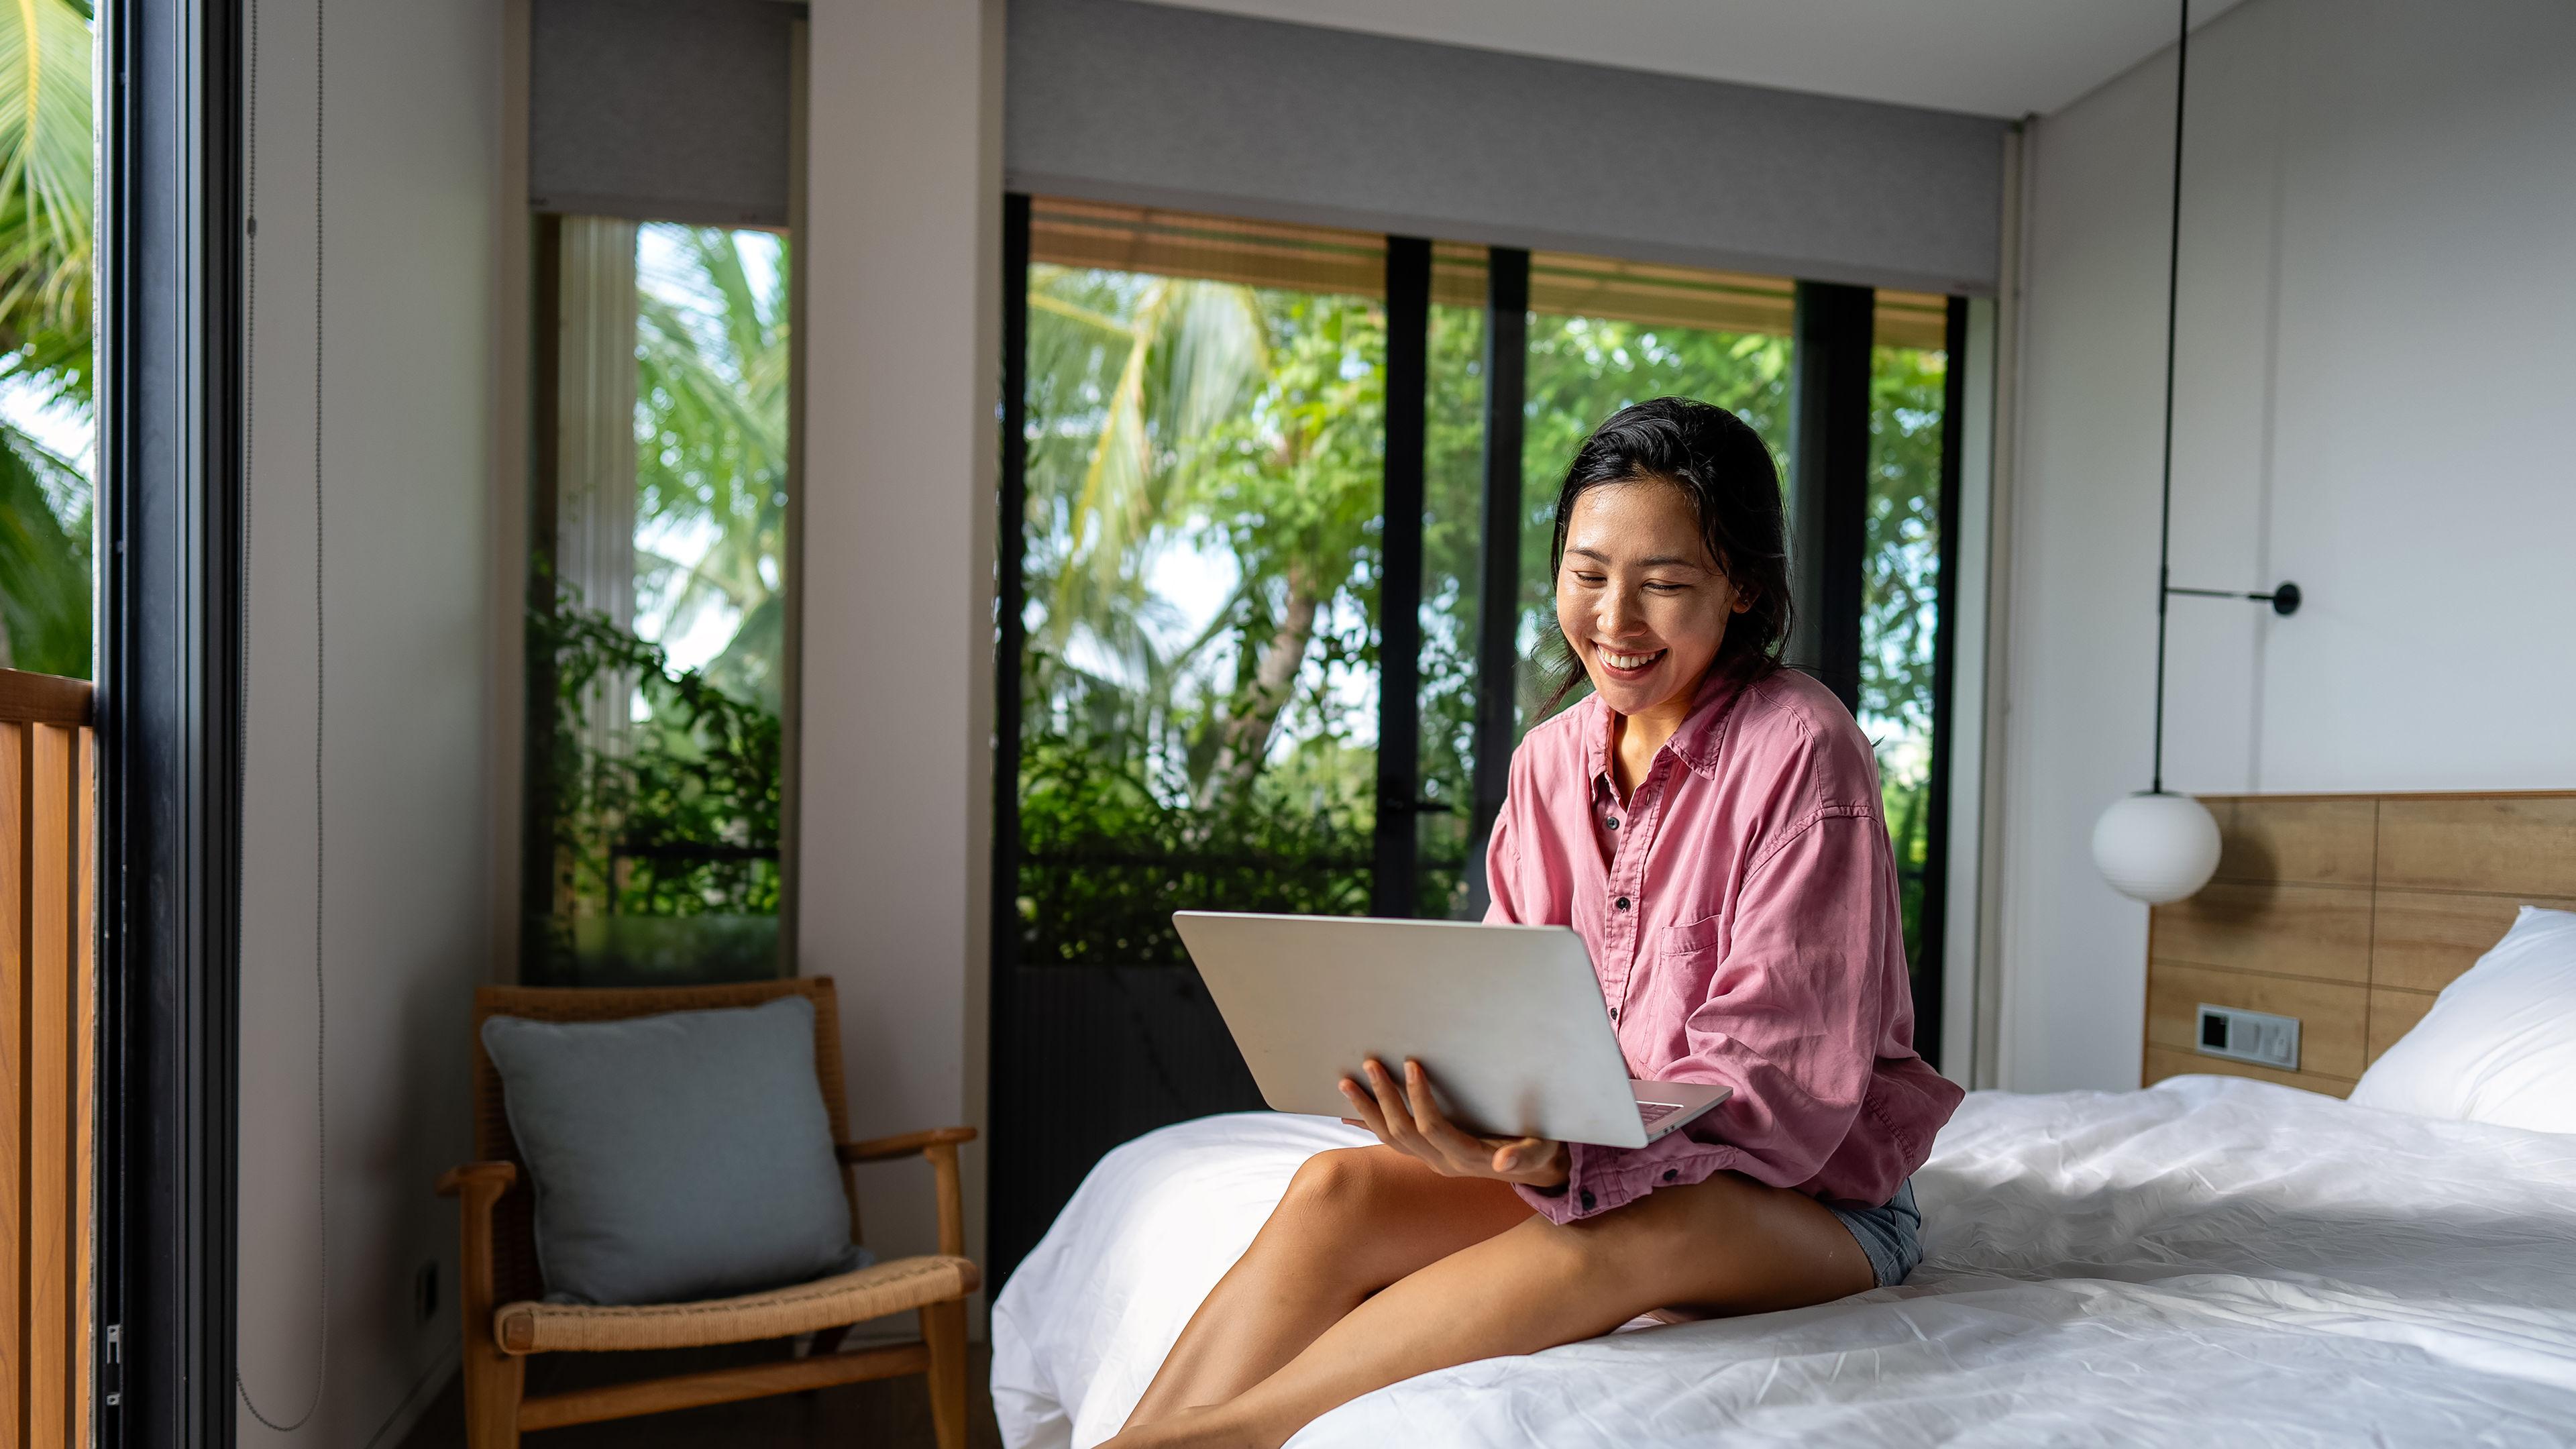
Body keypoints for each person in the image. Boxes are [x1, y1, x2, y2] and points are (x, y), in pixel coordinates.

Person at [1103, 397, 1965, 1449]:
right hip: (1598, 1164)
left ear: (1741, 587)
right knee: (1335, 1190)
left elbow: (1780, 1105)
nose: (1615, 619)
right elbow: (1511, 1011)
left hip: (1813, 1206)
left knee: (1640, 1223)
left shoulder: (1803, 747)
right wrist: (1465, 1113)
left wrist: (1567, 1169)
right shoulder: (1549, 761)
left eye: (1665, 583)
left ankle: (1208, 1442)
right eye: (1589, 573)